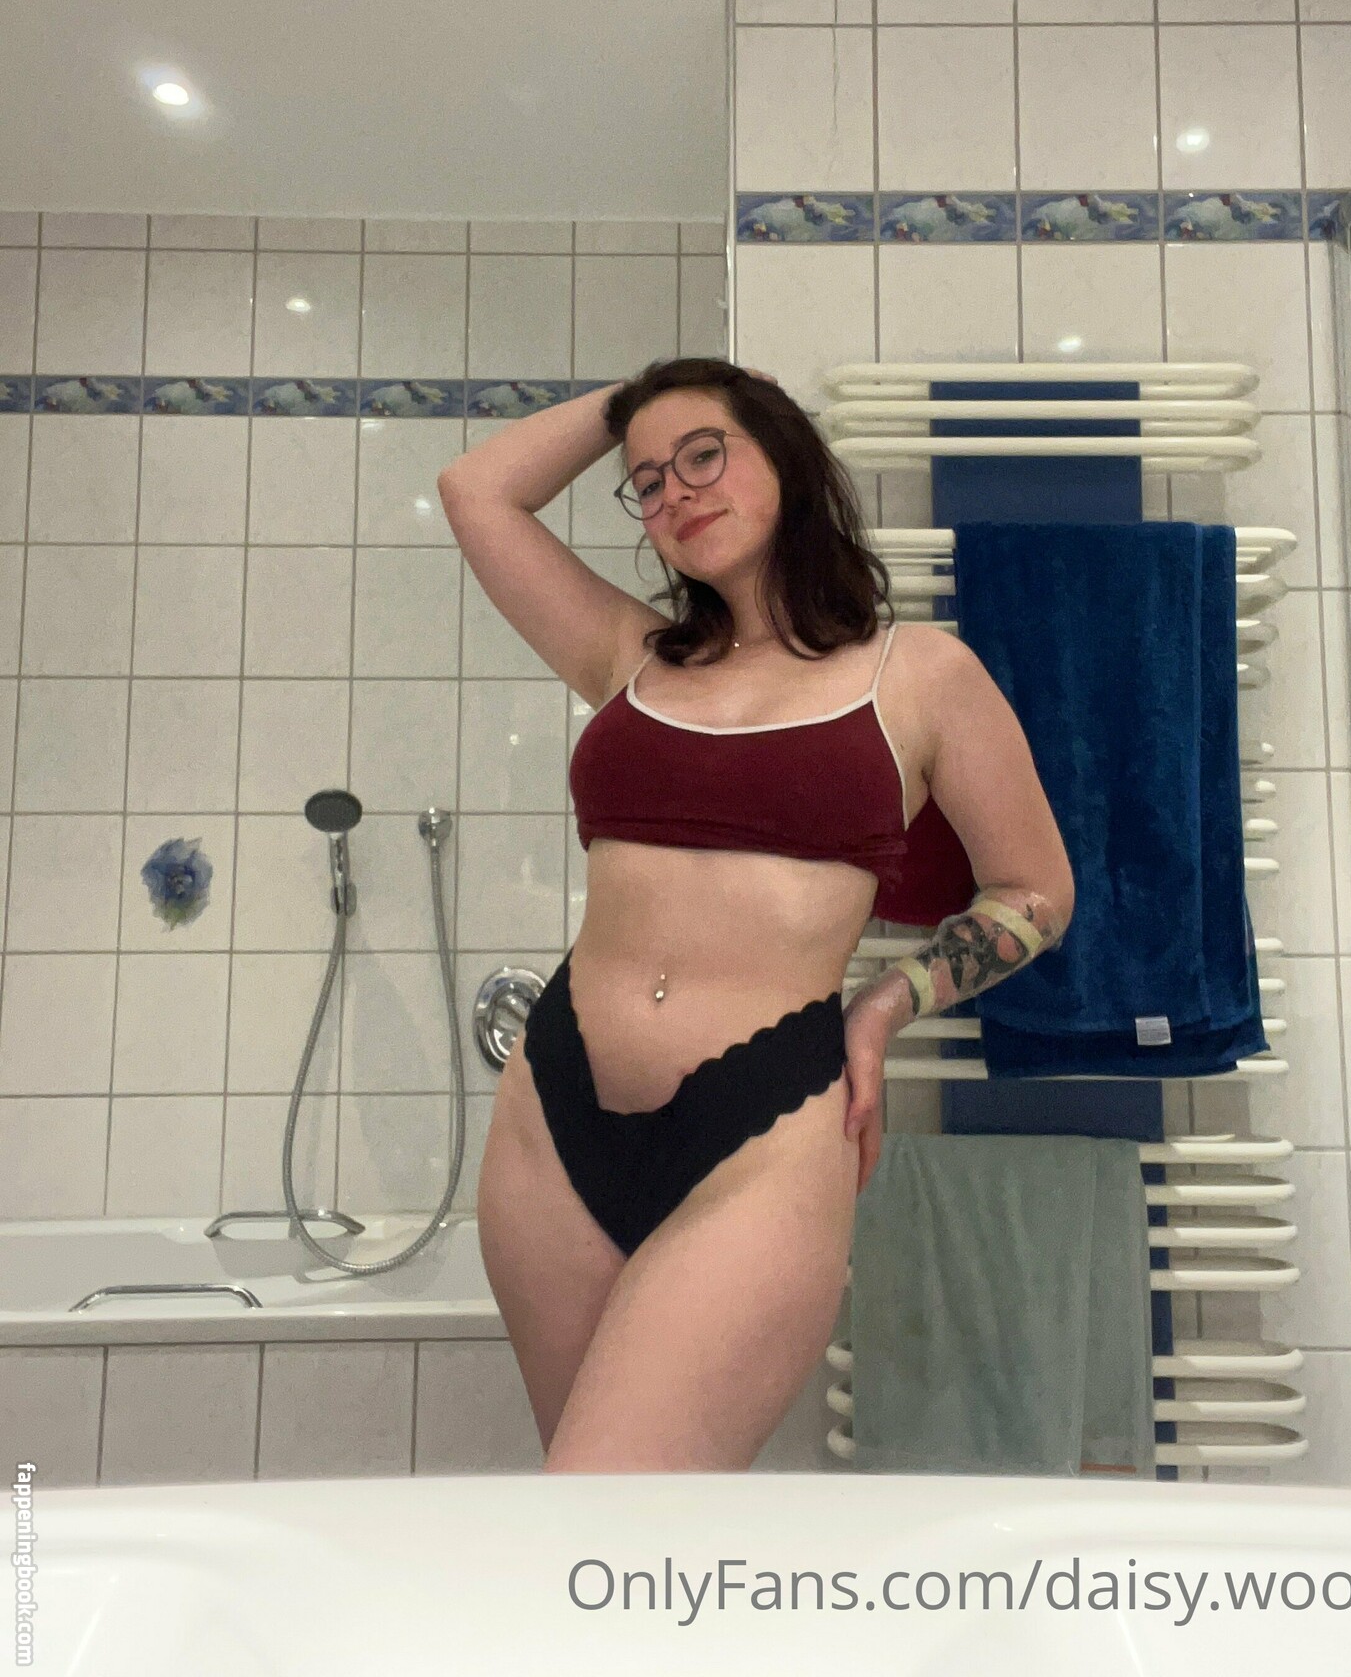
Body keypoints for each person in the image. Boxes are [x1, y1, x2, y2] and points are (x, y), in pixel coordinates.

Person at [436, 357, 1073, 1471]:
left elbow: (1035, 891)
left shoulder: (918, 674)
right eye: (647, 481)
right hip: (553, 1114)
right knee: (581, 1529)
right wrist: (637, 400)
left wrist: (888, 1002)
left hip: (763, 1128)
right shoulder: (631, 656)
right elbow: (475, 490)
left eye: (704, 454)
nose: (674, 491)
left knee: (606, 1501)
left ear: (782, 455)